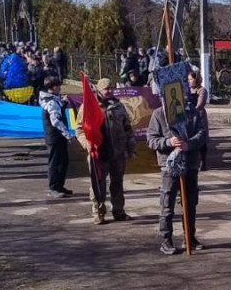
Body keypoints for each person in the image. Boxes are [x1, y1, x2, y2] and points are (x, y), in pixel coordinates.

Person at [146, 94, 207, 255]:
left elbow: (202, 134)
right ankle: (166, 240)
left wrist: (189, 144)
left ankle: (189, 237)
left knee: (190, 204)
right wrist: (168, 142)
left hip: (191, 163)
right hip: (169, 165)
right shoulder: (159, 114)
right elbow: (151, 139)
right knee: (167, 204)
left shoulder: (193, 112)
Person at [75, 77, 135, 224]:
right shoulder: (89, 107)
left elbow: (127, 128)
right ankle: (98, 213)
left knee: (117, 183)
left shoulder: (119, 106)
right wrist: (86, 143)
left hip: (117, 152)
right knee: (97, 185)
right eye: (106, 89)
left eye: (111, 89)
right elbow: (79, 130)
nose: (109, 92)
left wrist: (130, 148)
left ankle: (119, 211)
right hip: (99, 153)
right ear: (99, 90)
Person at [39, 75, 75, 199]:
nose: (60, 88)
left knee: (63, 161)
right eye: (58, 86)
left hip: (58, 136)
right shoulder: (51, 102)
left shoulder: (53, 99)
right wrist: (68, 135)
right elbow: (56, 121)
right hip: (54, 136)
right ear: (53, 87)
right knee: (55, 162)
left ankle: (60, 185)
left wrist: (63, 103)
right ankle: (53, 187)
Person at [187, 69, 210, 170]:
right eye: (188, 79)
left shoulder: (202, 90)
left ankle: (203, 162)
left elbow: (200, 103)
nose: (189, 81)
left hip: (199, 116)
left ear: (196, 79)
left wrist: (193, 110)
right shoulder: (187, 90)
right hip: (188, 116)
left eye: (190, 79)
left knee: (202, 139)